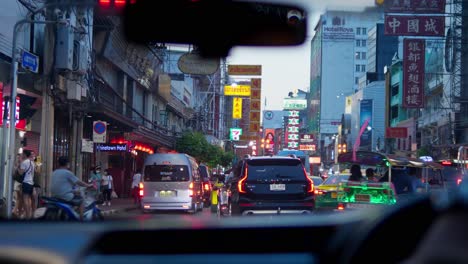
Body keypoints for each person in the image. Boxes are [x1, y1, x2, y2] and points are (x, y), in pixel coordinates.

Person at [51, 156, 93, 220]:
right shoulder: (67, 173)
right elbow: (78, 182)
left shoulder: (54, 172)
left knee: (75, 195)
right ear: (67, 163)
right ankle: (81, 220)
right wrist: (88, 185)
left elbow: (63, 185)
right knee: (81, 200)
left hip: (55, 196)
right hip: (65, 196)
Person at [17, 150, 35, 219]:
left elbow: (20, 173)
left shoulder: (24, 162)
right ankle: (28, 214)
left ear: (25, 154)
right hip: (31, 183)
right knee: (28, 199)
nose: (22, 155)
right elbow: (33, 173)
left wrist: (18, 167)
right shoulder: (32, 163)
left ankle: (27, 216)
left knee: (25, 200)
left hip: (26, 183)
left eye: (22, 154)